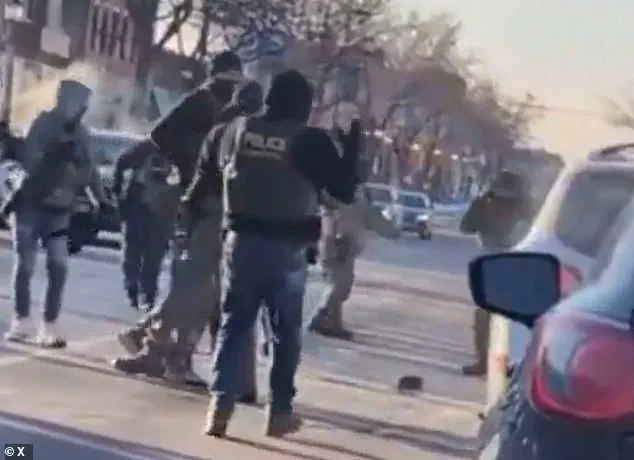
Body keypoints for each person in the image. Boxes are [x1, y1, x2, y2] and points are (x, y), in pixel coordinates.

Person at [203, 69, 359, 439]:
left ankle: (219, 408)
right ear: (302, 104)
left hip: (240, 242)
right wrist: (352, 147)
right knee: (284, 334)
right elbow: (344, 190)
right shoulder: (309, 140)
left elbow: (209, 168)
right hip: (286, 248)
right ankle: (279, 413)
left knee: (233, 326)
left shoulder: (235, 130)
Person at [111, 52, 246, 381]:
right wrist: (188, 163)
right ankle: (157, 346)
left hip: (210, 202)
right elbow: (160, 136)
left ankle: (166, 353)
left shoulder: (222, 110)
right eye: (226, 82)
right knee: (197, 284)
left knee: (201, 286)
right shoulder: (201, 104)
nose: (229, 89)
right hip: (202, 202)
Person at [3, 80, 107, 347]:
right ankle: (21, 320)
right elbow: (29, 160)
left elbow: (90, 169)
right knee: (25, 265)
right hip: (30, 204)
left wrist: (100, 199)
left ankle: (49, 324)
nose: (80, 108)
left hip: (59, 210)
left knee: (58, 267)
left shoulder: (82, 134)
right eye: (76, 101)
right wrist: (56, 151)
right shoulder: (43, 124)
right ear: (62, 99)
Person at [459, 170, 531, 376]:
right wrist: (481, 205)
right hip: (498, 265)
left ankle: (496, 361)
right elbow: (466, 226)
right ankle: (487, 361)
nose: (504, 204)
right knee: (488, 317)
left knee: (501, 319)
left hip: (509, 265)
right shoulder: (488, 206)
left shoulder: (521, 209)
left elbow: (466, 227)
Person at [309, 183, 398, 340]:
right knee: (339, 287)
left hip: (332, 245)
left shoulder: (330, 195)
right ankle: (321, 317)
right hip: (341, 247)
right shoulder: (354, 199)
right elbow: (376, 221)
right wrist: (393, 228)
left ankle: (334, 324)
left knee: (337, 284)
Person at [113, 139, 181, 310]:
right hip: (140, 206)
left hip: (164, 210)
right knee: (134, 252)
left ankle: (148, 294)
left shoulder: (183, 151)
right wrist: (118, 192)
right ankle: (133, 287)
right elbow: (121, 162)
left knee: (154, 256)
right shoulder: (147, 147)